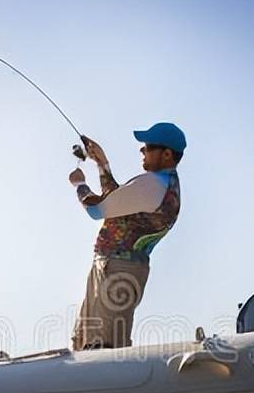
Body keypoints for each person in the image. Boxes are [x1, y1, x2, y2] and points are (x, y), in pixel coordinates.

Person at [68, 122, 185, 350]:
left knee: (102, 348)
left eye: (148, 146)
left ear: (167, 154)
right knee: (87, 343)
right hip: (116, 268)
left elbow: (98, 209)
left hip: (117, 270)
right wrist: (102, 164)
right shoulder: (163, 185)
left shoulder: (152, 184)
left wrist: (79, 184)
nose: (142, 150)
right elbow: (117, 201)